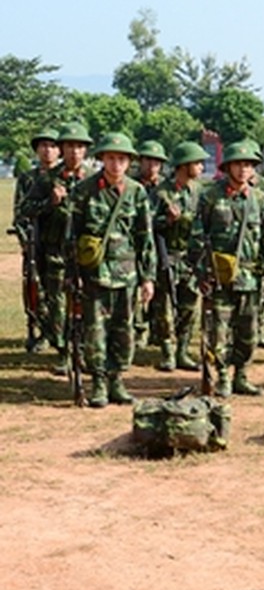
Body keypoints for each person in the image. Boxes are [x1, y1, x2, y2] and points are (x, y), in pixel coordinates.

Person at [69, 131, 156, 407]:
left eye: (121, 159)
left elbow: (145, 238)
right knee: (95, 331)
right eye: (110, 158)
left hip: (127, 274)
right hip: (94, 274)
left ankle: (116, 379)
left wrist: (147, 278)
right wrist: (74, 276)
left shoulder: (137, 192)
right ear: (102, 160)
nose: (116, 164)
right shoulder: (83, 191)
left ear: (129, 162)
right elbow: (71, 237)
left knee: (124, 331)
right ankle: (98, 383)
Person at [190, 139, 264, 397]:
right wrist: (201, 274)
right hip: (218, 277)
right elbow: (196, 237)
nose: (243, 170)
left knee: (249, 331)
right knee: (218, 332)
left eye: (248, 165)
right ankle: (221, 377)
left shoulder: (261, 200)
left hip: (250, 278)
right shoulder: (210, 196)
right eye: (238, 164)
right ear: (227, 167)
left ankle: (241, 374)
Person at [22, 121, 96, 376]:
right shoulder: (47, 179)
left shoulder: (96, 180)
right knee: (56, 307)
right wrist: (48, 202)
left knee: (86, 304)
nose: (74, 152)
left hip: (87, 254)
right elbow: (25, 210)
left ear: (85, 151)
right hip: (55, 253)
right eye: (69, 147)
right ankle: (64, 351)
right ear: (61, 149)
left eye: (79, 147)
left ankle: (83, 351)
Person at [151, 141, 209, 372]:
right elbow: (146, 225)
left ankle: (182, 351)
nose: (202, 168)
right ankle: (167, 352)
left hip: (191, 258)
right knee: (163, 307)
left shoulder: (199, 192)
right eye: (198, 163)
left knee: (189, 305)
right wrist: (167, 220)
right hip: (167, 256)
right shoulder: (160, 193)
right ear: (184, 165)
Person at [12, 127, 60, 352]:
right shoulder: (28, 178)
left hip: (58, 242)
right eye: (43, 146)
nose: (47, 151)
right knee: (33, 287)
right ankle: (38, 330)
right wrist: (24, 241)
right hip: (34, 241)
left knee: (57, 289)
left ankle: (57, 331)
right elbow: (20, 213)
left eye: (52, 146)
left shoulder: (64, 176)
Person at [134, 140, 167, 351]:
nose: (152, 165)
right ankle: (139, 329)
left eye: (156, 161)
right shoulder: (131, 184)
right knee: (135, 289)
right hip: (136, 243)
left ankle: (158, 329)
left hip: (161, 244)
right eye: (147, 160)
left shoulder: (166, 187)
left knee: (160, 289)